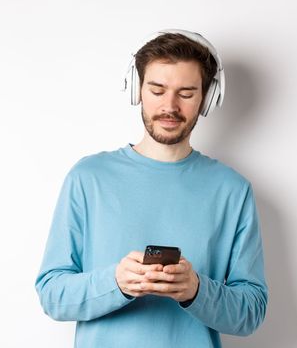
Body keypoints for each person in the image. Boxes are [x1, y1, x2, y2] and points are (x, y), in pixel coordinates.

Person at [34, 29, 268, 347]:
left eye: (185, 93)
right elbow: (52, 295)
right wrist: (116, 282)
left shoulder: (232, 190)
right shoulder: (88, 177)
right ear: (137, 90)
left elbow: (251, 312)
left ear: (207, 98)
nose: (169, 106)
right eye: (157, 90)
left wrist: (196, 290)